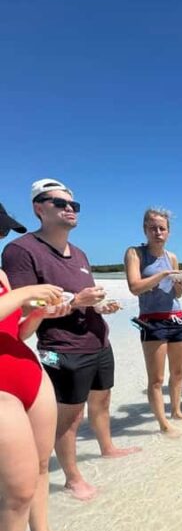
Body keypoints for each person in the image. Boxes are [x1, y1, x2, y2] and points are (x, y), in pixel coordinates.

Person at [2, 179, 140, 502]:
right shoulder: (21, 250)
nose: (70, 209)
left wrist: (98, 306)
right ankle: (71, 478)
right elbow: (21, 307)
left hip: (97, 340)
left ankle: (107, 448)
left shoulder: (79, 253)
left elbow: (80, 299)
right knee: (70, 416)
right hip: (60, 347)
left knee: (102, 400)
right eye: (60, 203)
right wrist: (77, 301)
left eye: (73, 205)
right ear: (39, 208)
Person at [0, 203, 75, 531]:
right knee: (18, 487)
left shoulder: (0, 275)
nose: (1, 240)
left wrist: (41, 314)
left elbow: (18, 332)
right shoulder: (14, 284)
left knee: (43, 463)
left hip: (27, 371)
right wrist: (28, 291)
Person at [125, 208, 182, 435]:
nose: (158, 232)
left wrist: (178, 284)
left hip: (176, 318)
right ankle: (163, 424)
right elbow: (135, 287)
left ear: (168, 232)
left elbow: (177, 294)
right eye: (153, 228)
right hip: (151, 321)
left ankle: (176, 411)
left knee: (178, 372)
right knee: (157, 378)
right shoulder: (135, 253)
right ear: (145, 229)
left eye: (162, 228)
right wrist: (164, 275)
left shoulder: (171, 257)